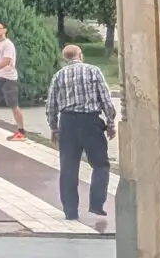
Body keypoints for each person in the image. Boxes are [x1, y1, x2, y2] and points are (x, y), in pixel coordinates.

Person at [45, 41, 118, 222]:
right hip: (91, 122)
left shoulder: (58, 76)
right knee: (100, 165)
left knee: (68, 168)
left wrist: (54, 128)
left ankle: (70, 211)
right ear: (81, 55)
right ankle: (96, 203)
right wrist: (110, 123)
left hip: (68, 123)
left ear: (65, 58)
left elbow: (51, 106)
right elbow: (106, 100)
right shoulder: (94, 71)